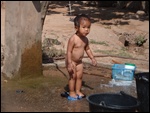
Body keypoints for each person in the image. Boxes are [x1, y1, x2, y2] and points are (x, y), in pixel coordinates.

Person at [65, 14, 97, 101]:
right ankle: (71, 91)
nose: (87, 30)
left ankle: (78, 91)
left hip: (79, 62)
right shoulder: (73, 39)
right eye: (84, 27)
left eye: (89, 27)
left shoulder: (85, 40)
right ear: (76, 28)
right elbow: (69, 51)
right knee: (73, 77)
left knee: (79, 77)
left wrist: (92, 58)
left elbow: (88, 49)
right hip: (71, 61)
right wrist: (69, 63)